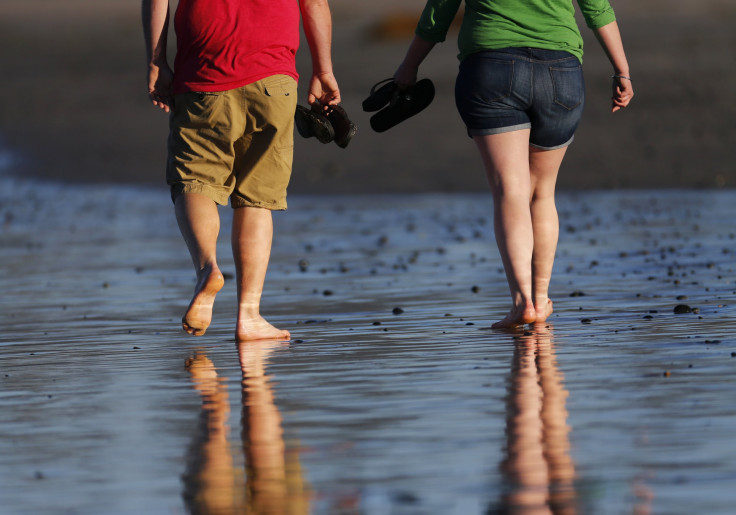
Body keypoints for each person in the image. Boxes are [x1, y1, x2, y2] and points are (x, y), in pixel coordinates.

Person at [393, 0, 633, 328]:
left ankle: (523, 302)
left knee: (511, 190)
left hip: (491, 67)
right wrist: (621, 70)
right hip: (560, 71)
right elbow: (597, 9)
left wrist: (409, 66)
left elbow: (441, 9)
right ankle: (540, 297)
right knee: (543, 193)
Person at [142, 0, 342, 341]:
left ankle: (208, 269)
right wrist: (323, 68)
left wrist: (156, 60)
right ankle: (249, 316)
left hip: (204, 73)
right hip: (274, 76)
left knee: (194, 179)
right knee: (257, 198)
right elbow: (314, 3)